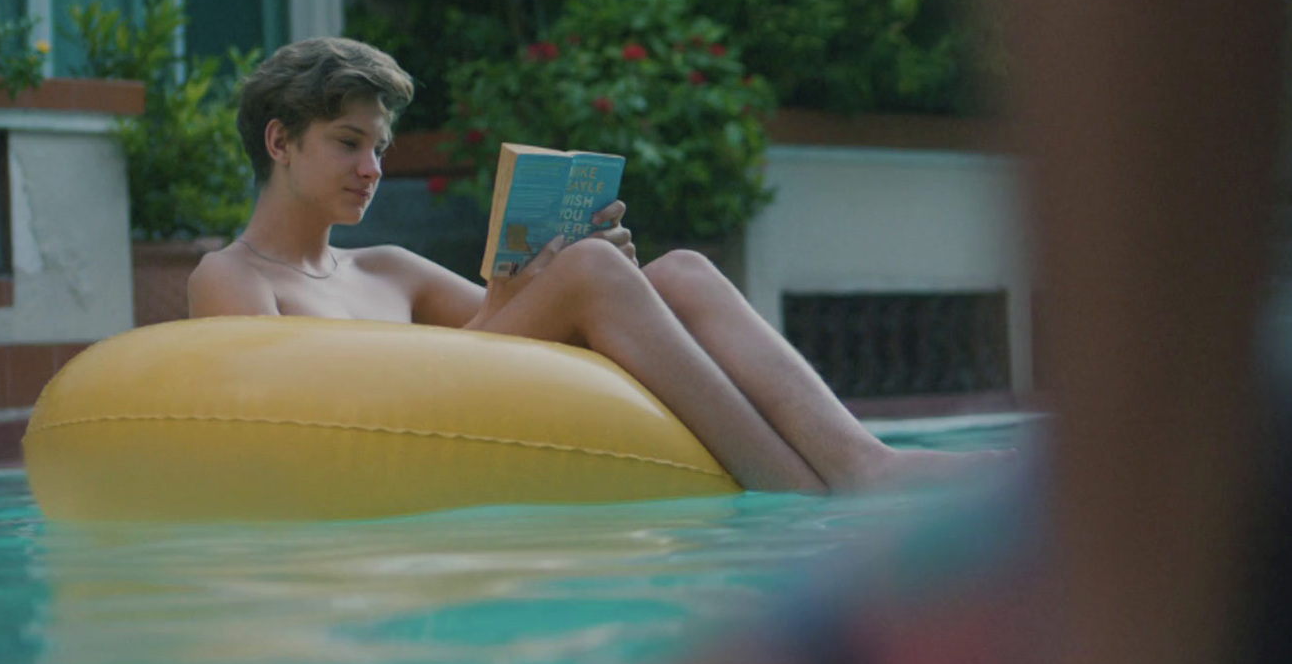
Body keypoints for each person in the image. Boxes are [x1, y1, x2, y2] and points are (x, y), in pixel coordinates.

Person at [187, 36, 998, 495]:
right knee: (589, 275)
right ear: (280, 141)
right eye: (349, 143)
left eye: (380, 147)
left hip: (467, 406)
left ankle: (860, 458)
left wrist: (519, 285)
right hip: (375, 446)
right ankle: (806, 491)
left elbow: (496, 337)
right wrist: (565, 283)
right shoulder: (232, 276)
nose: (372, 167)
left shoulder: (390, 268)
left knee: (674, 269)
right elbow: (282, 426)